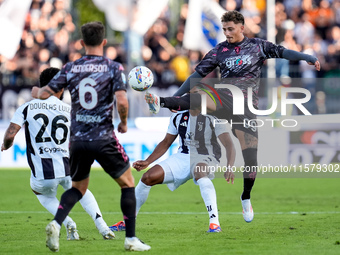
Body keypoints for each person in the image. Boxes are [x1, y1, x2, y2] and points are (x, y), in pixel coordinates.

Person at [145, 10, 321, 223]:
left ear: (241, 28)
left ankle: (246, 196)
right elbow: (196, 75)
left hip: (244, 107)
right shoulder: (219, 51)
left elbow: (283, 52)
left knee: (251, 162)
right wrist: (175, 97)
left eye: (230, 29)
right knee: (200, 94)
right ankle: (160, 102)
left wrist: (307, 57)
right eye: (224, 29)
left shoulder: (258, 46)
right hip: (223, 98)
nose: (227, 33)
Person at [31, 22, 150, 252]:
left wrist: (37, 93)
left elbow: (45, 93)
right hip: (104, 137)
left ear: (82, 43)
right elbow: (122, 101)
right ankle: (131, 239)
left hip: (77, 140)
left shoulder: (70, 68)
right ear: (104, 42)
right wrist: (124, 123)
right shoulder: (113, 67)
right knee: (127, 184)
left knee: (77, 188)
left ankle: (56, 223)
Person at [1, 67, 115, 241]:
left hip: (42, 174)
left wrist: (6, 145)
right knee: (81, 190)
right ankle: (103, 226)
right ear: (60, 88)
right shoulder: (69, 110)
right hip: (67, 168)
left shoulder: (27, 107)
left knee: (42, 194)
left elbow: (10, 134)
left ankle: (69, 223)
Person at [133, 95, 236, 232]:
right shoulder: (178, 117)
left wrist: (230, 166)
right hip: (182, 157)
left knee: (200, 171)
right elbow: (166, 142)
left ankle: (214, 223)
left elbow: (229, 144)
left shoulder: (214, 118)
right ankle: (127, 220)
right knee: (147, 178)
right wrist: (147, 161)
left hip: (206, 156)